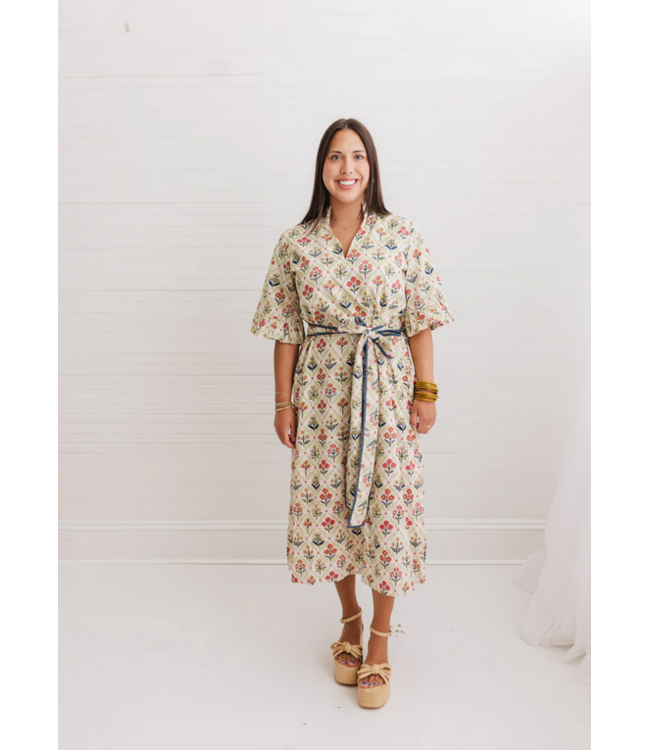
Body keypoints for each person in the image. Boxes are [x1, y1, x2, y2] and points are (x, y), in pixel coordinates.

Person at [251, 118, 454, 709]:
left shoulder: (401, 235)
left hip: (387, 393)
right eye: (336, 157)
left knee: (389, 508)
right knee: (329, 508)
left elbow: (420, 321)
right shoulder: (296, 243)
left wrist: (425, 392)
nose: (347, 168)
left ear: (371, 167)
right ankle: (349, 620)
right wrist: (283, 402)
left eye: (358, 157)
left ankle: (382, 640)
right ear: (322, 168)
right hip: (320, 396)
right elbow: (285, 331)